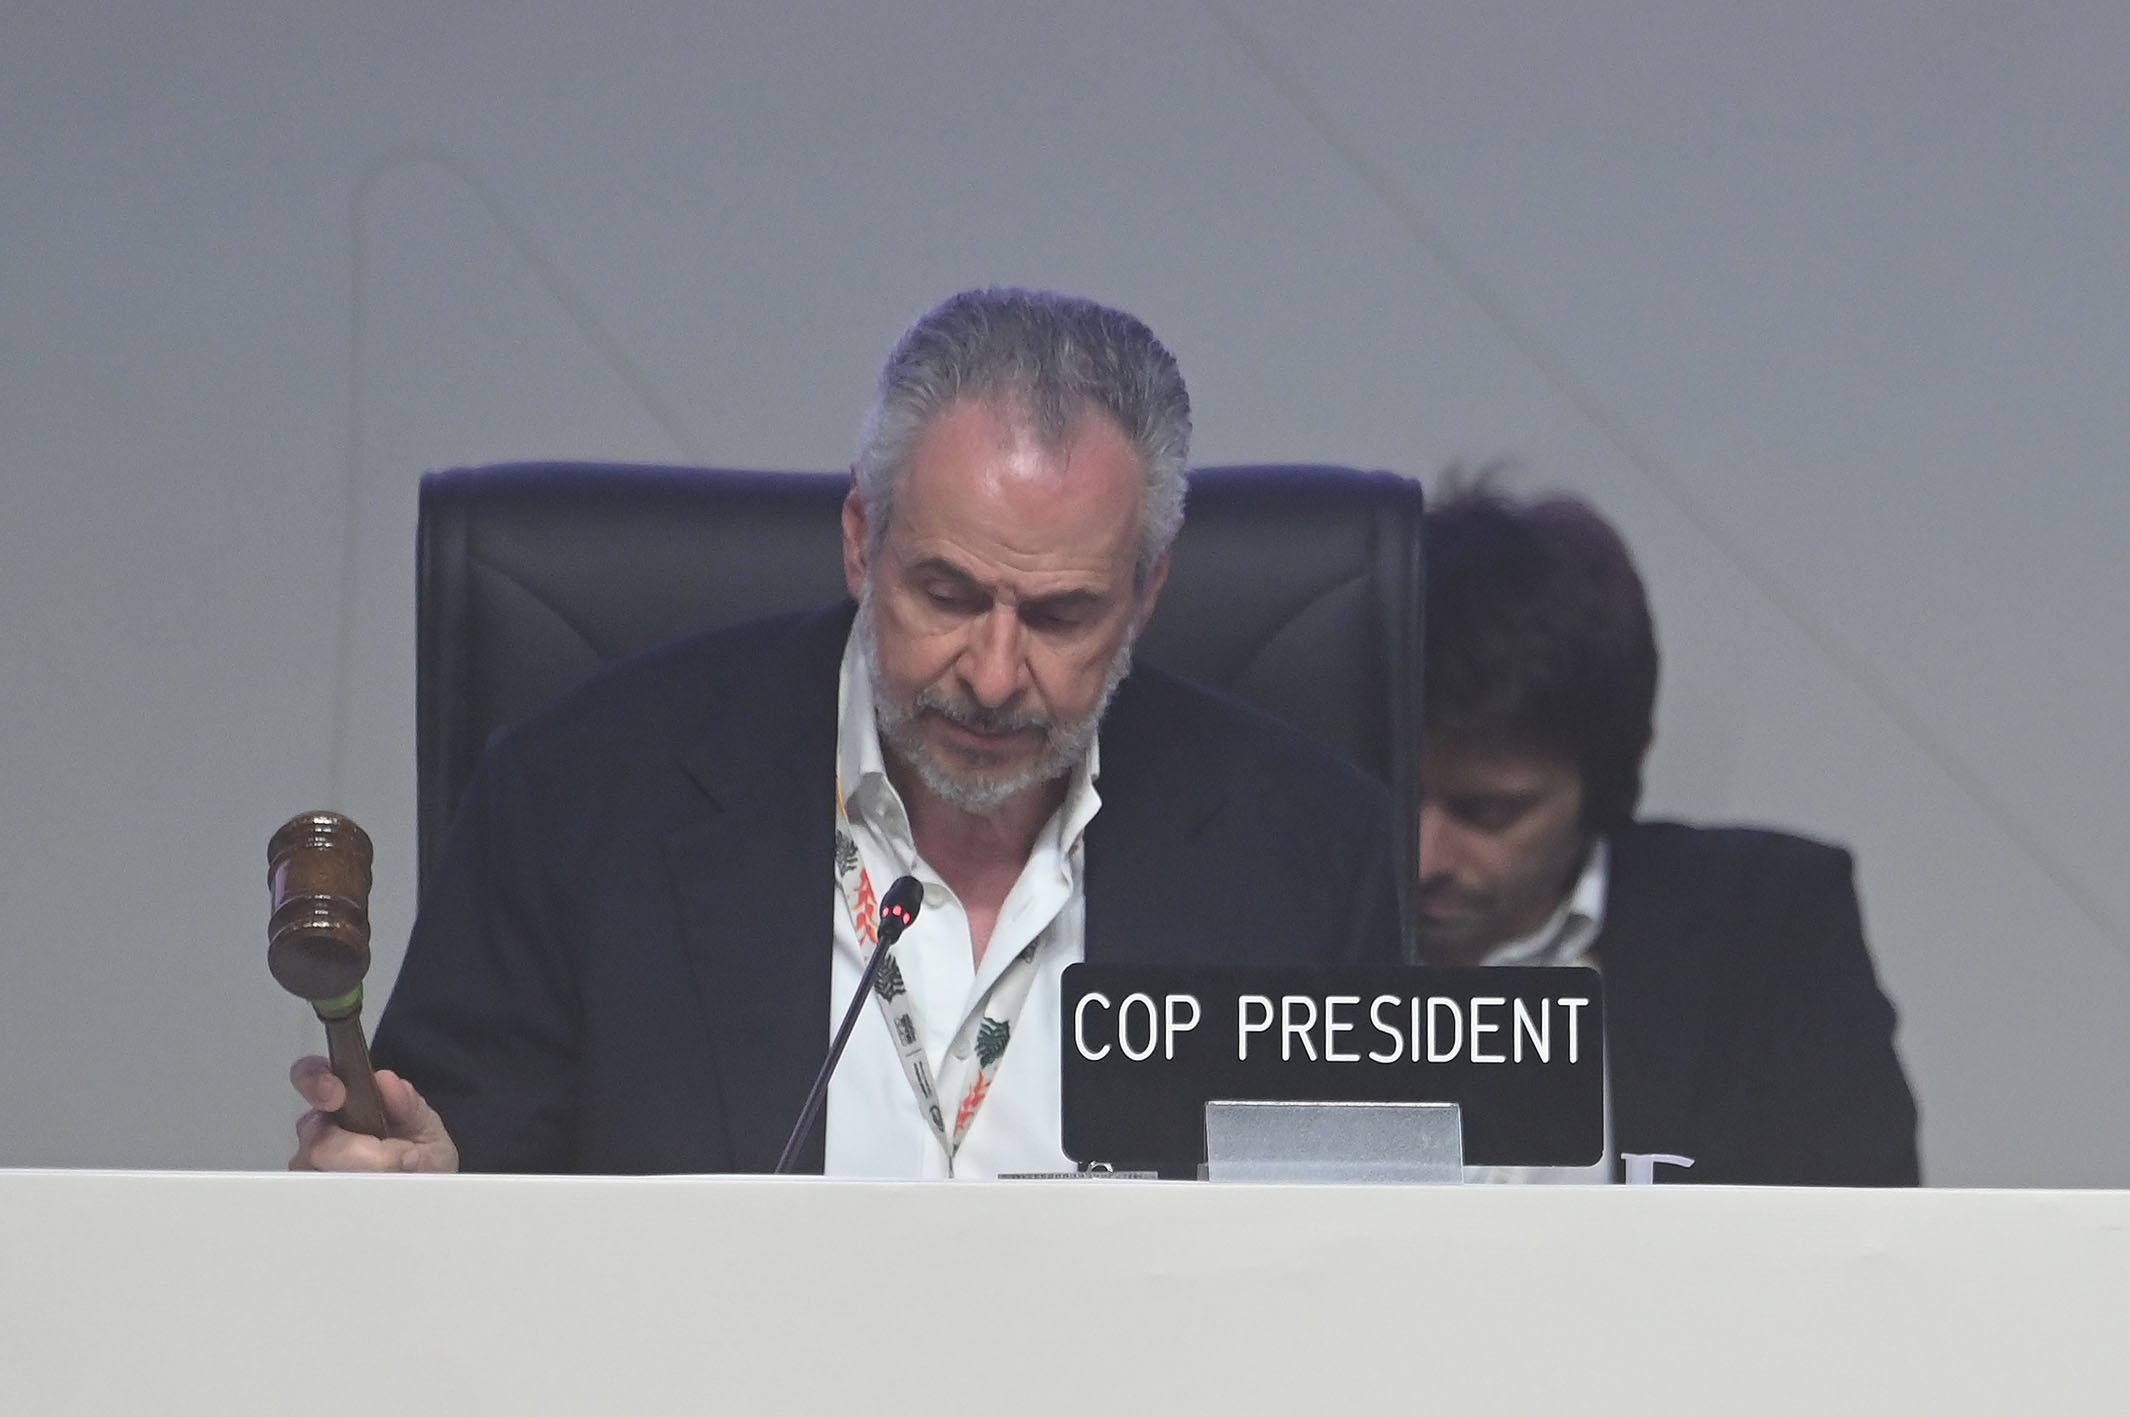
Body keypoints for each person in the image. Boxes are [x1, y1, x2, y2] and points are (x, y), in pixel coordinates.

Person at [291, 288, 1402, 1176]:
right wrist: (421, 1195)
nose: (994, 674)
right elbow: (449, 1192)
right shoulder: (574, 804)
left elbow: (1370, 1266)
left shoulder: (1307, 855)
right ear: (863, 540)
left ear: (1147, 593)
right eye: (948, 595)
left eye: (1060, 616)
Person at [1418, 484, 1919, 1184]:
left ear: (1610, 778)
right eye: (1391, 797)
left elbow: (1861, 1229)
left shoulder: (1767, 928)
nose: (1424, 857)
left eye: (1489, 812)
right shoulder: (1284, 929)